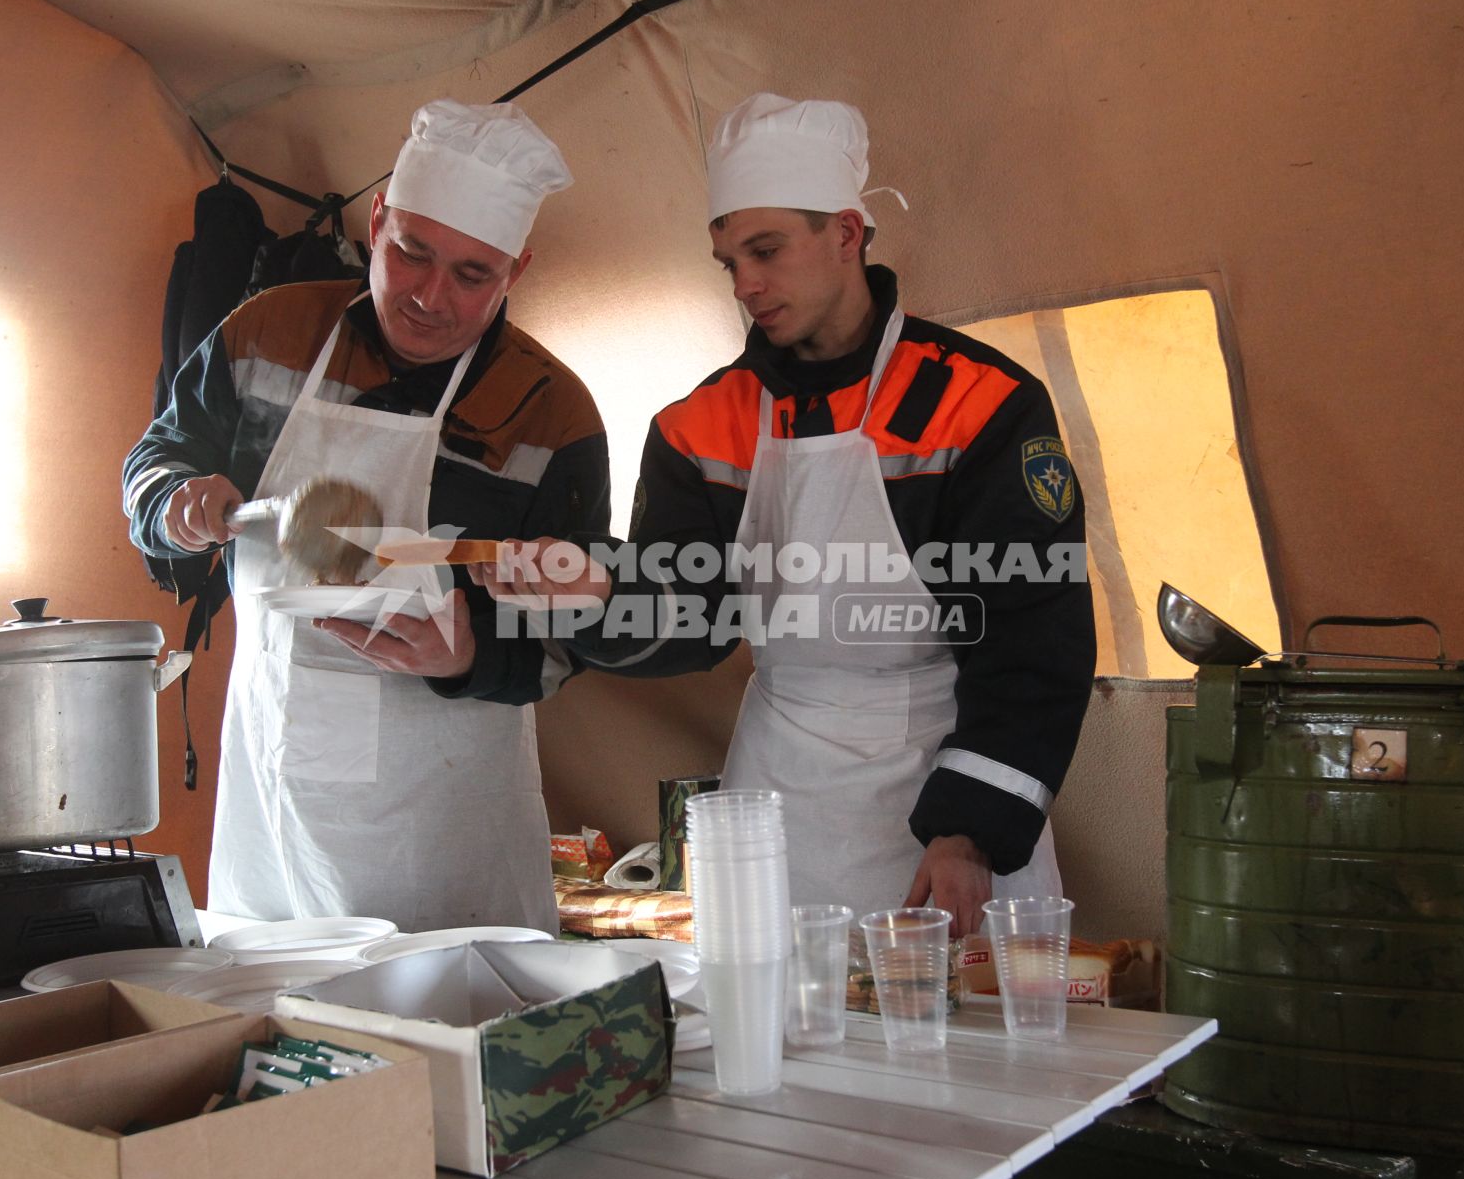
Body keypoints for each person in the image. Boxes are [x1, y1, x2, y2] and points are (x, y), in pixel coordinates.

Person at [477, 93, 1094, 934]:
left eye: (765, 250)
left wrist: (970, 831)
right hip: (784, 787)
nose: (746, 284)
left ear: (846, 233)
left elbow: (1033, 637)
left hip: (948, 776)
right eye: (728, 261)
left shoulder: (979, 404)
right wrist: (591, 592)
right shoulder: (699, 427)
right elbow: (691, 620)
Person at [123, 100, 609, 933]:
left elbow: (581, 620)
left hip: (446, 816)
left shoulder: (548, 412)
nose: (429, 295)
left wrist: (473, 651)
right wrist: (174, 503)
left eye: (471, 275)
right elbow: (156, 458)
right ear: (377, 220)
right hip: (276, 788)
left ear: (515, 272)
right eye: (412, 252)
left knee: (442, 1022)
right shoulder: (265, 334)